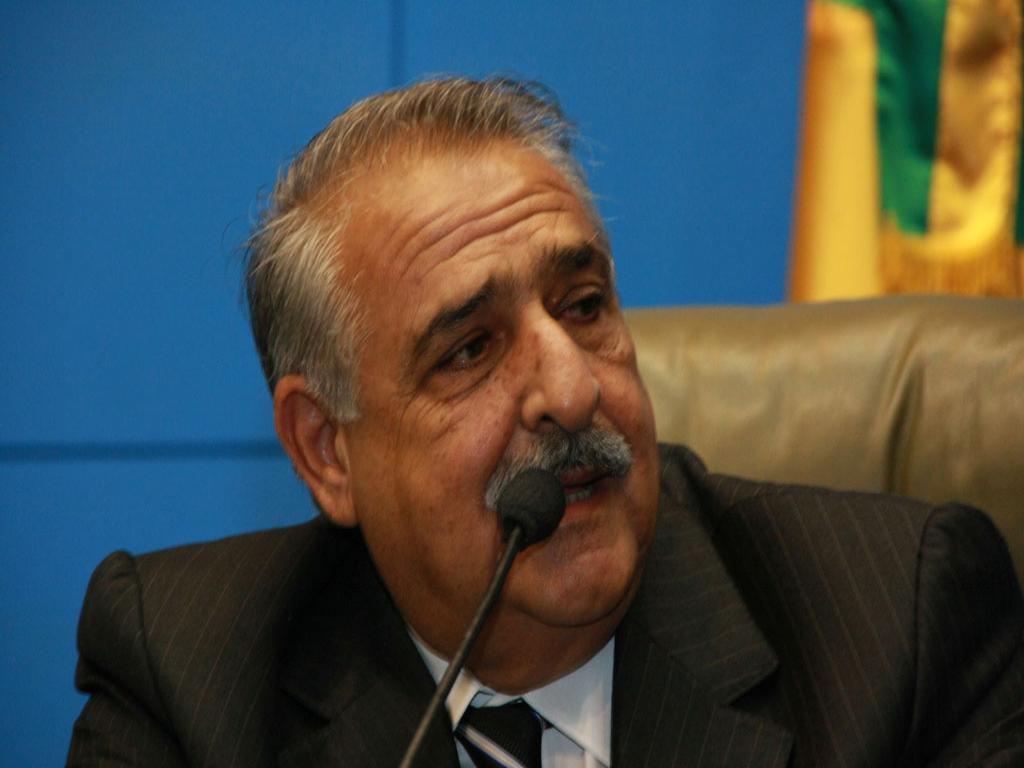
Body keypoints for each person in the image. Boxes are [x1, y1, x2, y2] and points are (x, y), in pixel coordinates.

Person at [67, 78, 1023, 767]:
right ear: (327, 452)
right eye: (469, 351)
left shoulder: (897, 623)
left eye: (584, 306)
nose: (571, 390)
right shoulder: (188, 674)